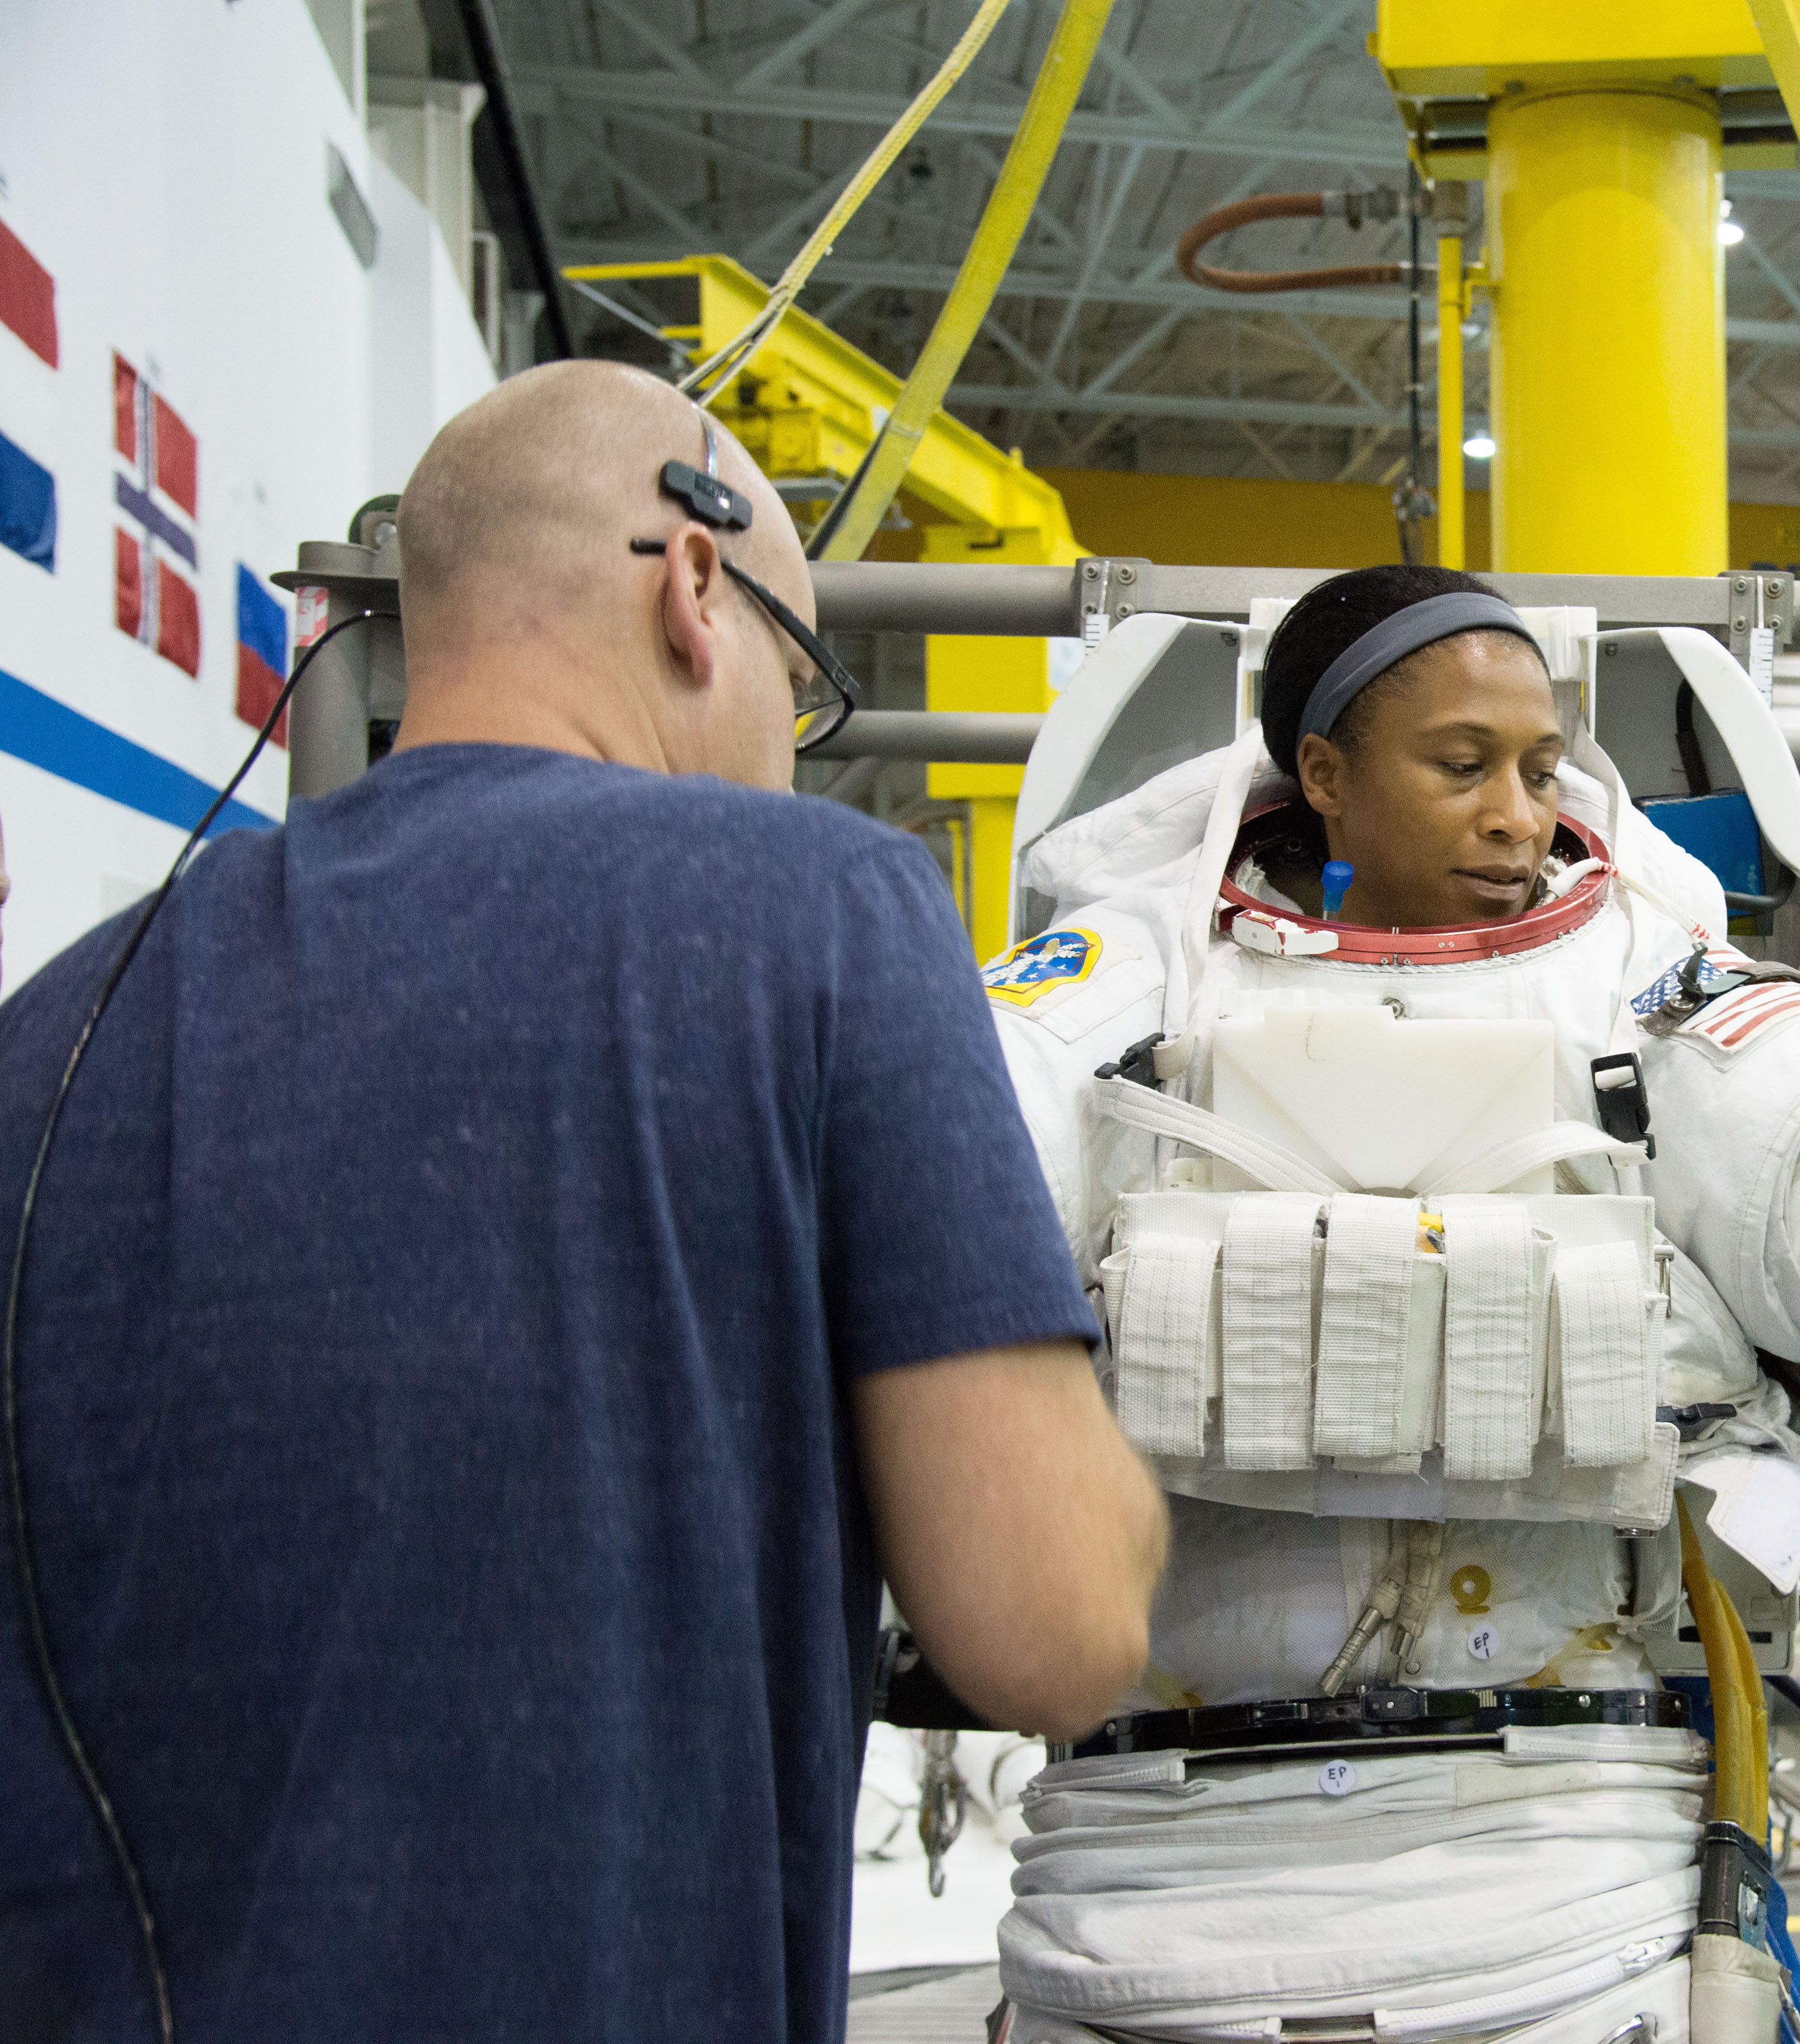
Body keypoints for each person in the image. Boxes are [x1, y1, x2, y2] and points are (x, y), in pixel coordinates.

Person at [0, 360, 1165, 2040]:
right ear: (696, 585)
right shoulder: (820, 909)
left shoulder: (60, 1022)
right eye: (800, 671)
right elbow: (1053, 1625)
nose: (786, 737)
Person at [969, 562, 1800, 2043]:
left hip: (1579, 1862)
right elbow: (928, 1161)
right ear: (1321, 774)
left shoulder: (1651, 990)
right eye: (1461, 765)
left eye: (1539, 767)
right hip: (1148, 1868)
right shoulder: (1133, 983)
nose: (1518, 811)